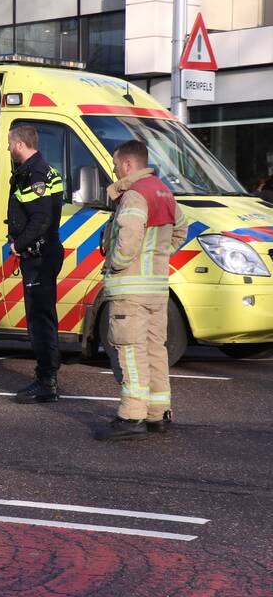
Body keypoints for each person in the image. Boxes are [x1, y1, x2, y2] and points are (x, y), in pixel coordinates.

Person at [94, 140, 187, 441]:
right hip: (156, 288)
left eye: (116, 163)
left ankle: (131, 416)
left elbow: (129, 236)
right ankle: (157, 414)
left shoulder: (134, 195)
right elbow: (181, 228)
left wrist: (119, 264)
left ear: (129, 165)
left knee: (130, 350)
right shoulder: (162, 190)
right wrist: (158, 256)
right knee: (155, 351)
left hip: (130, 289)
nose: (113, 168)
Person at [6, 125, 65, 403]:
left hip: (39, 256)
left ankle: (46, 381)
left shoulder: (35, 173)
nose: (7, 148)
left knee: (40, 321)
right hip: (42, 253)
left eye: (9, 143)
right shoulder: (43, 170)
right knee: (43, 318)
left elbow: (40, 219)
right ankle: (46, 378)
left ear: (19, 144)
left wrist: (18, 244)